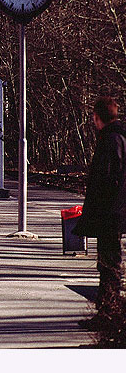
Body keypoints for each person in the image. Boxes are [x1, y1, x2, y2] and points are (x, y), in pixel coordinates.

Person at [72, 96, 126, 330]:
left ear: (97, 117)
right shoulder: (120, 137)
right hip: (115, 211)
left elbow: (108, 179)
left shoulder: (110, 140)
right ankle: (108, 312)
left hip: (110, 212)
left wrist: (101, 207)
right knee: (109, 261)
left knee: (108, 263)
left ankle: (109, 314)